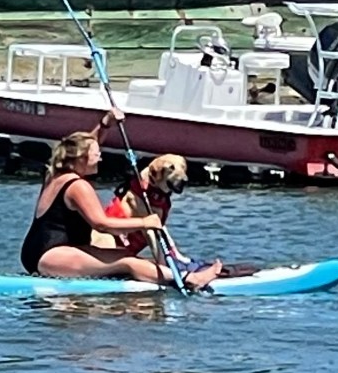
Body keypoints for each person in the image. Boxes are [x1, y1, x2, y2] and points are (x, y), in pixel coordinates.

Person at [19, 109, 222, 289]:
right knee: (127, 262)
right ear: (81, 158)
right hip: (51, 256)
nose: (100, 157)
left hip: (35, 252)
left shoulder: (54, 173)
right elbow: (101, 224)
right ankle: (190, 280)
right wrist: (145, 222)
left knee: (122, 255)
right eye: (96, 155)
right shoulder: (78, 187)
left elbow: (84, 144)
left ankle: (162, 275)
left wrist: (105, 123)